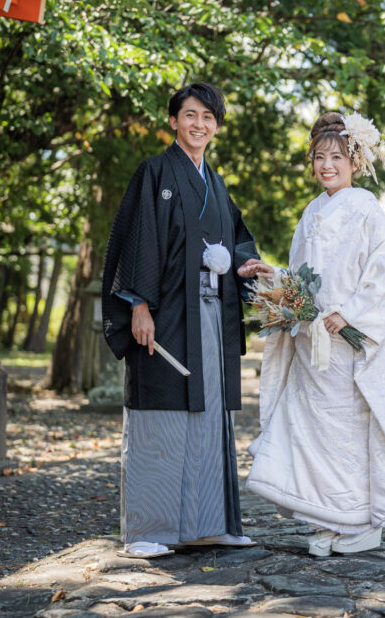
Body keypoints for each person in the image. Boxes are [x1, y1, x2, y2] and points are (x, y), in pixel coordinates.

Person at [101, 82, 271, 559]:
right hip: (166, 311)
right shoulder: (154, 172)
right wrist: (137, 304)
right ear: (173, 120)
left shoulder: (215, 183)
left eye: (208, 118)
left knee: (210, 412)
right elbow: (137, 241)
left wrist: (243, 265)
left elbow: (238, 239)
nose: (199, 124)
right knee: (162, 413)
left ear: (216, 126)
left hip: (212, 314)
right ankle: (148, 528)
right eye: (190, 115)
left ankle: (208, 523)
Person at [246, 112, 385, 557]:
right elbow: (303, 277)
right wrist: (276, 279)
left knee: (347, 431)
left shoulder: (365, 207)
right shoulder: (312, 210)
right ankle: (323, 519)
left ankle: (357, 521)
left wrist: (349, 313)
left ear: (354, 161)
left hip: (344, 340)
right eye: (319, 157)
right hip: (310, 341)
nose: (326, 166)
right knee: (311, 430)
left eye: (336, 156)